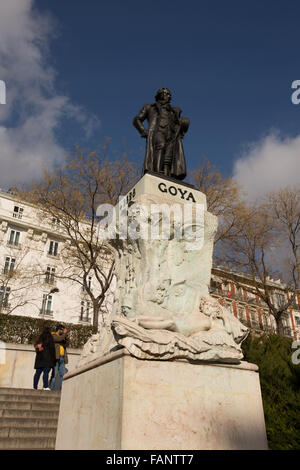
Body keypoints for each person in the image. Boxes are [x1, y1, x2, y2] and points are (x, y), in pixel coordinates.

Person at [133, 88, 190, 180]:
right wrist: (143, 131)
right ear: (160, 95)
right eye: (167, 94)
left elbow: (179, 124)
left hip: (171, 135)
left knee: (169, 156)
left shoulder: (173, 110)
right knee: (161, 146)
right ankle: (157, 172)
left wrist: (183, 124)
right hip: (157, 131)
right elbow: (137, 120)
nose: (169, 96)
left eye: (169, 95)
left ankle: (167, 175)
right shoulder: (150, 107)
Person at [49, 324, 69, 391]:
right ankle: (51, 388)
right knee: (54, 375)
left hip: (62, 358)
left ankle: (61, 390)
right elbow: (58, 339)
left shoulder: (62, 337)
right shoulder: (53, 335)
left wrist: (66, 337)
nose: (63, 332)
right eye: (62, 330)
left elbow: (66, 344)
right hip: (56, 357)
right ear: (59, 330)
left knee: (62, 375)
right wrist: (64, 334)